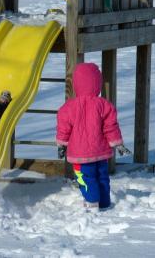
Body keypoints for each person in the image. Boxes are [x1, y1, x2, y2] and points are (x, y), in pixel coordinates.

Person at [56, 63, 131, 211]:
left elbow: (64, 128)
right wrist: (117, 144)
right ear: (98, 83)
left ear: (76, 84)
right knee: (102, 177)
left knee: (85, 178)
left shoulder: (68, 107)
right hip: (101, 152)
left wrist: (62, 145)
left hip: (80, 153)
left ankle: (92, 202)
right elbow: (111, 127)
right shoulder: (104, 105)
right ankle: (104, 202)